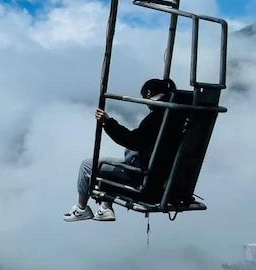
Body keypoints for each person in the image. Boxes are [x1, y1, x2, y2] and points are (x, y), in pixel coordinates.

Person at [63, 77, 176, 222]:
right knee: (123, 159)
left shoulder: (156, 118)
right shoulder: (178, 116)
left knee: (87, 165)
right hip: (165, 178)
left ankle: (81, 209)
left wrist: (108, 122)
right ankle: (105, 207)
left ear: (148, 93)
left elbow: (131, 140)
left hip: (144, 177)